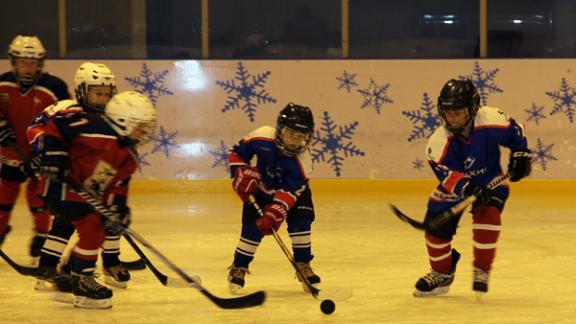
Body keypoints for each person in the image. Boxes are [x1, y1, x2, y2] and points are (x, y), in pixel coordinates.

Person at [36, 90, 156, 309]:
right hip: (61, 189)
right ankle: (82, 279)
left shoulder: (127, 156)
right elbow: (57, 124)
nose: (144, 132)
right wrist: (54, 154)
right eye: (140, 126)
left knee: (99, 230)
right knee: (92, 230)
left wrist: (119, 211)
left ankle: (70, 272)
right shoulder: (92, 126)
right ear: (123, 121)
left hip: (84, 195)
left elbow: (117, 187)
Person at [413, 79, 532, 297]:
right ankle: (442, 273)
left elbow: (516, 132)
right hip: (455, 187)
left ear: (473, 108)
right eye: (448, 113)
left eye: (458, 112)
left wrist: (521, 153)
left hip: (490, 178)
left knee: (489, 215)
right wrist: (467, 186)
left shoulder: (491, 118)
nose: (453, 118)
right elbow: (448, 177)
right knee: (435, 231)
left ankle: (481, 269)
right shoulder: (438, 143)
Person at [28, 62, 134, 290]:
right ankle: (49, 268)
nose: (102, 99)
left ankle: (109, 262)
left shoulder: (113, 115)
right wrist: (45, 151)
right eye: (97, 93)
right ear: (82, 91)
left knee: (108, 217)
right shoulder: (64, 109)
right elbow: (36, 128)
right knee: (64, 223)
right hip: (65, 181)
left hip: (97, 179)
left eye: (107, 93)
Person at [226, 103, 321, 294]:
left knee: (301, 223)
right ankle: (240, 266)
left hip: (294, 194)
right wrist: (241, 173)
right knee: (251, 229)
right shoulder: (262, 135)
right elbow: (236, 153)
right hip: (262, 189)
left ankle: (303, 264)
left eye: (301, 136)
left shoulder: (303, 160)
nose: (295, 141)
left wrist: (275, 213)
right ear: (280, 129)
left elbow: (291, 191)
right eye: (290, 134)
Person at [0, 35, 70, 254]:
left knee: (38, 196)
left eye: (32, 63)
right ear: (14, 62)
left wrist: (51, 150)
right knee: (4, 195)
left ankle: (41, 235)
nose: (28, 68)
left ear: (40, 64)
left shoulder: (54, 87)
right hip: (12, 152)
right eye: (23, 62)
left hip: (40, 154)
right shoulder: (2, 84)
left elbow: (66, 119)